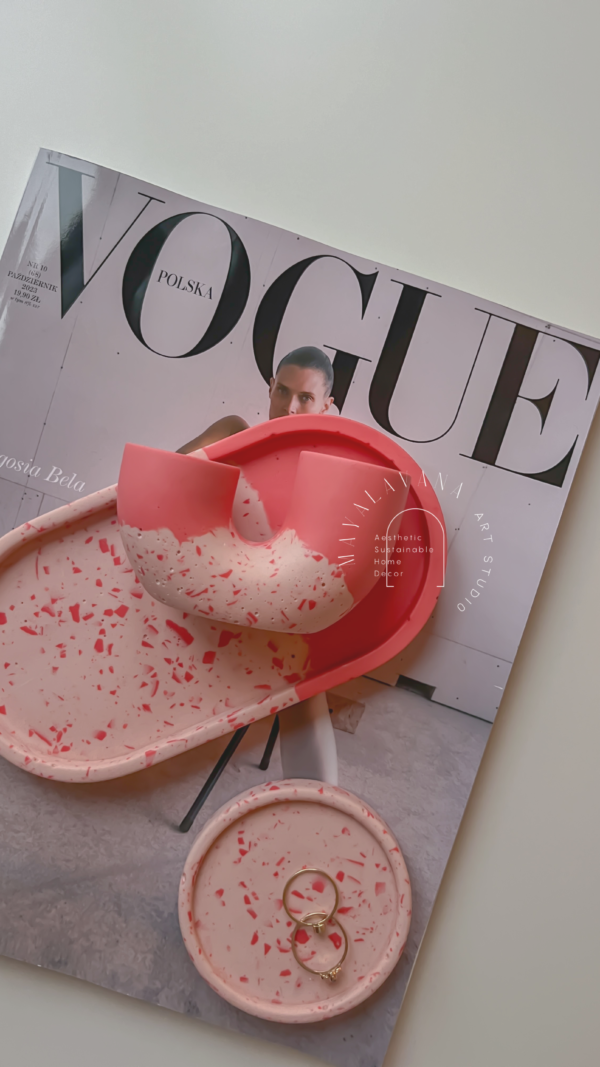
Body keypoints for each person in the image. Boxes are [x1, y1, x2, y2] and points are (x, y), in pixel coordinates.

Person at [177, 346, 339, 785]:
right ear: (270, 388)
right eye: (282, 391)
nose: (288, 407)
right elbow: (165, 479)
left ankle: (316, 805)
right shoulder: (235, 433)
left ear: (328, 407)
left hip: (272, 612)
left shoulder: (330, 472)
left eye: (305, 398)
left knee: (304, 663)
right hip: (205, 588)